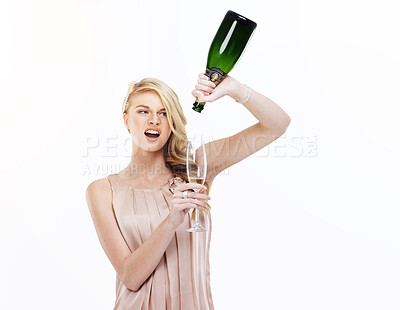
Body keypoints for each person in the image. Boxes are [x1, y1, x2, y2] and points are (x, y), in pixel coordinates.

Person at [85, 73, 291, 309]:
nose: (154, 120)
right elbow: (130, 277)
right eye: (143, 111)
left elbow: (277, 125)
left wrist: (235, 89)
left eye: (164, 113)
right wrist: (171, 221)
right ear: (126, 120)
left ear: (172, 122)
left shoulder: (197, 168)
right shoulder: (103, 191)